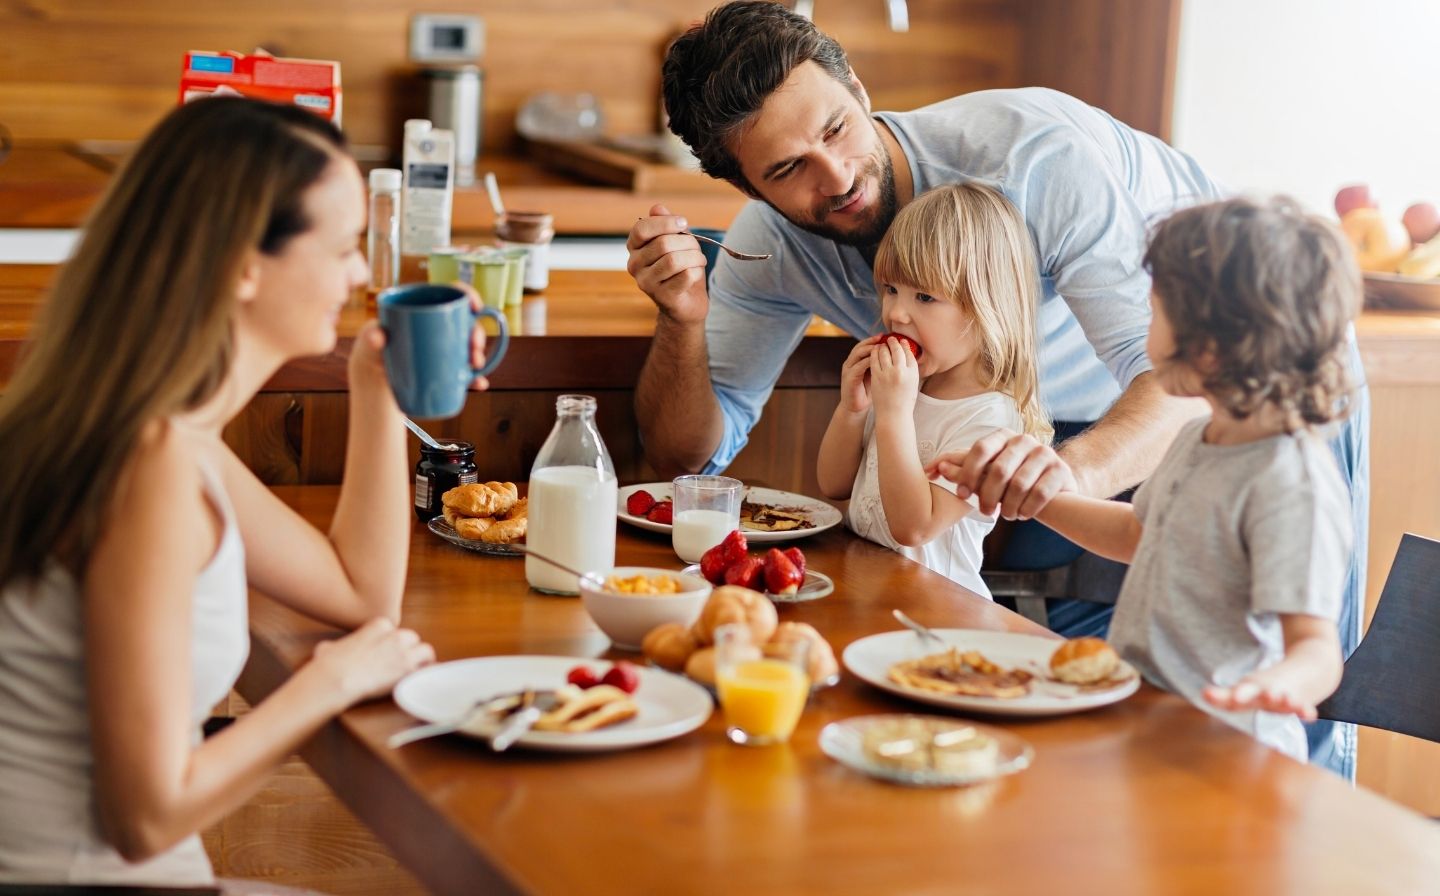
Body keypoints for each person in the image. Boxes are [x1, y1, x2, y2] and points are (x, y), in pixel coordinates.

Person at [627, 0, 1367, 779]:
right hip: (1070, 434)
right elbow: (687, 458)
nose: (835, 176)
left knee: (1289, 728)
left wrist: (1051, 471)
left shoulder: (1033, 158)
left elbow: (1174, 388)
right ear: (745, 186)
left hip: (1246, 380)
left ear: (859, 86)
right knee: (1145, 703)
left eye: (836, 129)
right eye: (787, 170)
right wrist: (682, 320)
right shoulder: (768, 248)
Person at [0, 97, 487, 885]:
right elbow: (145, 816)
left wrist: (376, 386)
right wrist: (325, 688)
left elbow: (361, 594)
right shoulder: (146, 469)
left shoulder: (155, 430)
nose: (362, 273)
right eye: (343, 247)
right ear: (244, 265)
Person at [1024, 196, 1358, 760]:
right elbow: (1138, 535)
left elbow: (1317, 649)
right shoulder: (1199, 436)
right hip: (1152, 723)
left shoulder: (1290, 481)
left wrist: (1280, 684)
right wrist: (1038, 500)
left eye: (1156, 311)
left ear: (1211, 344)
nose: (1146, 329)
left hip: (1230, 750)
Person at [816, 183, 1049, 598]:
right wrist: (852, 410)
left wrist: (891, 416)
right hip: (867, 587)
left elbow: (914, 527)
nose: (896, 313)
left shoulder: (991, 420)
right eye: (890, 289)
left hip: (936, 609)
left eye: (924, 296)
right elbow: (833, 485)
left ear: (985, 309)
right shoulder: (904, 386)